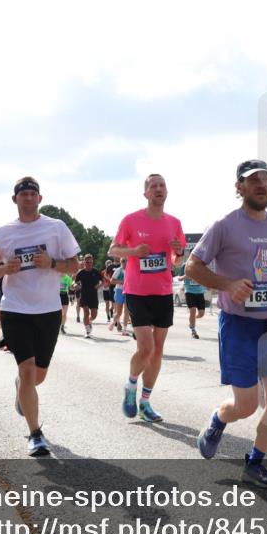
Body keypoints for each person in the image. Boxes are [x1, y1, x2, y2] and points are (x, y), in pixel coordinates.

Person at [190, 159, 267, 488]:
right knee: (245, 406)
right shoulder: (224, 225)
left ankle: (255, 462)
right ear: (240, 188)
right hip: (238, 324)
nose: (262, 184)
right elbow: (192, 268)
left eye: (266, 179)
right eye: (253, 180)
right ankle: (219, 420)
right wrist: (228, 284)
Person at [0, 176, 80, 457]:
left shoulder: (56, 228)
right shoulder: (1, 233)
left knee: (38, 376)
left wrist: (50, 263)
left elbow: (74, 265)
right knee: (26, 370)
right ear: (15, 199)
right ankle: (35, 434)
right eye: (22, 193)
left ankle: (21, 389)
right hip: (15, 309)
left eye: (32, 193)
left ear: (40, 199)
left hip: (48, 310)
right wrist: (3, 268)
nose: (27, 197)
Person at [109, 174, 186, 423]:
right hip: (137, 291)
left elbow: (178, 261)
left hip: (163, 292)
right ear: (146, 193)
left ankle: (145, 402)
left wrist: (179, 252)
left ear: (167, 191)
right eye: (153, 186)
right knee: (146, 347)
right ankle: (131, 386)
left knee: (158, 350)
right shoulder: (131, 220)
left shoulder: (174, 223)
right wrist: (132, 251)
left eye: (162, 185)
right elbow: (113, 250)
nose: (158, 189)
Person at [74, 255, 103, 338]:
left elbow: (104, 281)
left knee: (94, 315)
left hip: (93, 296)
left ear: (92, 262)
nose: (89, 264)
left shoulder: (96, 272)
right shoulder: (81, 272)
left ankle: (89, 322)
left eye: (90, 262)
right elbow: (75, 282)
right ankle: (87, 331)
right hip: (84, 295)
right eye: (87, 262)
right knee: (86, 312)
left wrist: (99, 285)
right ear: (84, 262)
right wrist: (76, 285)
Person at [181, 272, 207, 339]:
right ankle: (193, 330)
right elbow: (179, 278)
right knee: (193, 310)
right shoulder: (185, 266)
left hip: (200, 292)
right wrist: (185, 277)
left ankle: (192, 319)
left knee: (201, 314)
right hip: (189, 292)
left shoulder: (201, 266)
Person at [103, 257, 117, 322]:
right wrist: (105, 284)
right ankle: (108, 315)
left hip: (112, 288)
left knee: (113, 304)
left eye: (110, 263)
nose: (109, 264)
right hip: (106, 289)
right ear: (105, 265)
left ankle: (112, 310)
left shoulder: (114, 270)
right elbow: (102, 281)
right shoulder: (103, 272)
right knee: (107, 304)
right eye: (107, 264)